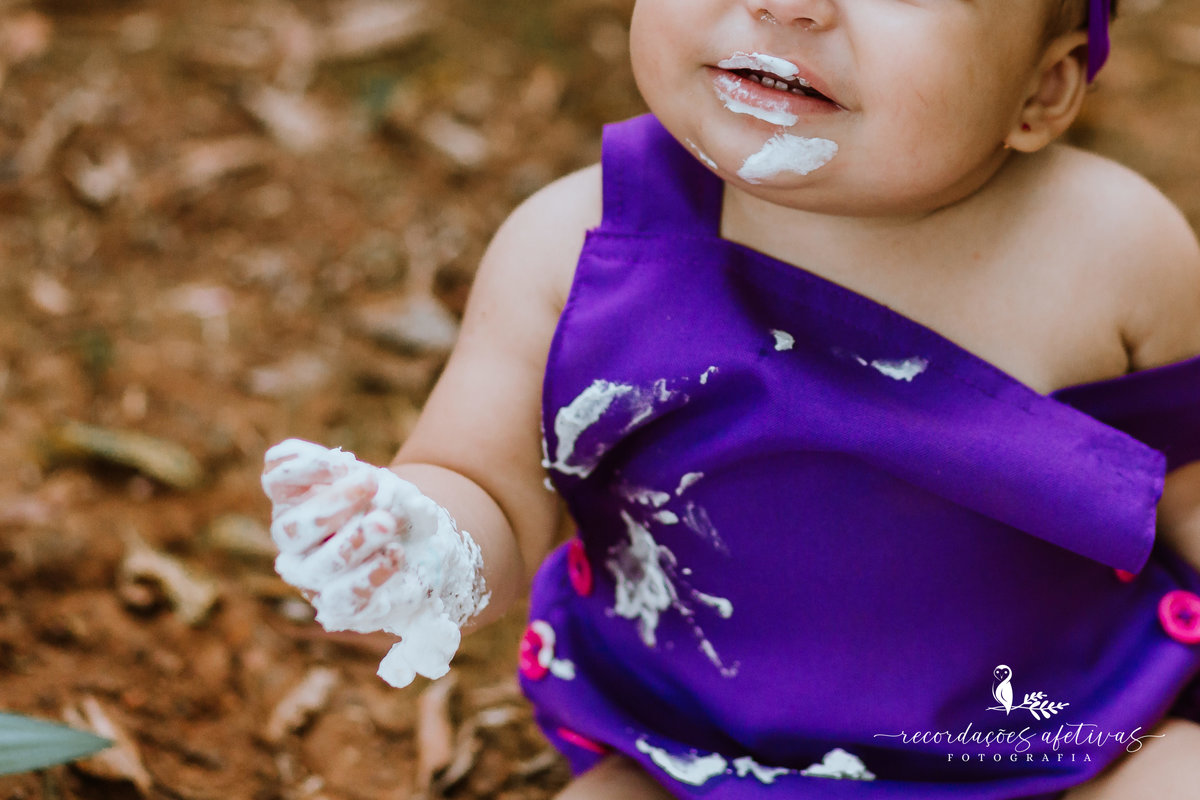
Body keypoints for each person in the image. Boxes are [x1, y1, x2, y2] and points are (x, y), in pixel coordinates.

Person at [260, 0, 1200, 796]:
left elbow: (1188, 495)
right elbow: (487, 488)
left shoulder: (1114, 253)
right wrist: (424, 544)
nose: (791, 5)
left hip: (1061, 737)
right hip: (696, 756)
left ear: (1041, 90)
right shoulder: (577, 255)